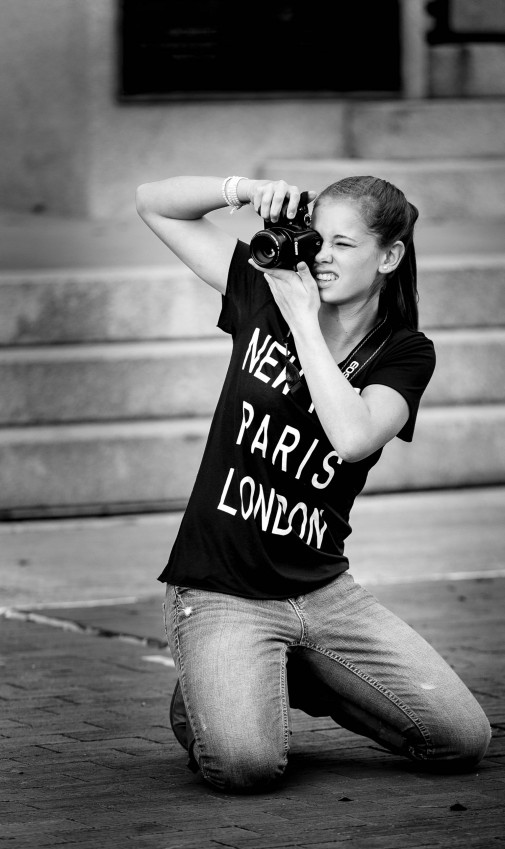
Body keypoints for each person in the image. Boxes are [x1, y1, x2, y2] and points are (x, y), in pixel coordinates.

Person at [136, 173, 491, 793]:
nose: (320, 257)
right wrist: (242, 189)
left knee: (461, 739)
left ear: (390, 256)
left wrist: (304, 322)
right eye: (315, 238)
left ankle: (281, 670)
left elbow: (352, 437)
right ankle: (224, 675)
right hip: (221, 588)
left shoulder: (405, 352)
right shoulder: (264, 290)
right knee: (246, 768)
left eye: (344, 245)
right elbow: (152, 204)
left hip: (325, 592)